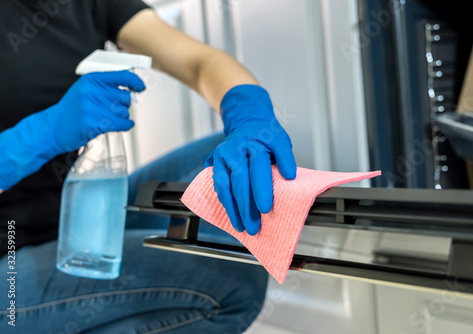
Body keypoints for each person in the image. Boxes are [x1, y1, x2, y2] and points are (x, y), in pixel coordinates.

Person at [0, 0, 296, 333]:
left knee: (232, 165)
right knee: (230, 282)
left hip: (71, 219)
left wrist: (247, 112)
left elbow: (199, 63)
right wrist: (39, 135)